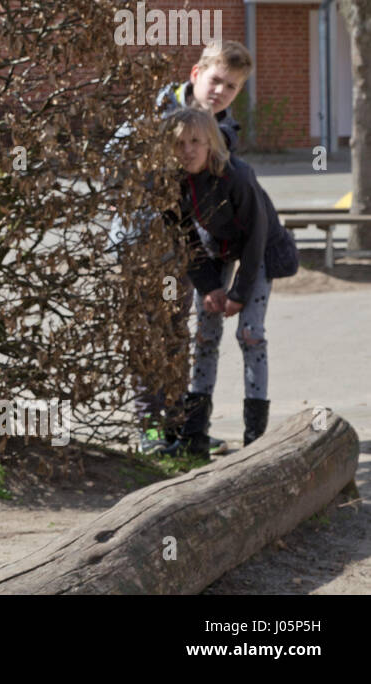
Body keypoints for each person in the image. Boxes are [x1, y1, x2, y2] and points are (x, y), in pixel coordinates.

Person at [107, 40, 254, 452]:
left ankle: (176, 431)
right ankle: (150, 434)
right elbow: (114, 166)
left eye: (232, 87)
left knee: (174, 338)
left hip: (186, 252)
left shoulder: (224, 132)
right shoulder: (155, 117)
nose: (221, 92)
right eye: (216, 81)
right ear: (196, 74)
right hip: (141, 246)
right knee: (146, 339)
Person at [159, 107, 295, 457]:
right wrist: (209, 287)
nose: (187, 150)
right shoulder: (171, 182)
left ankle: (255, 439)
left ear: (211, 144)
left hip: (258, 247)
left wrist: (238, 293)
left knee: (249, 333)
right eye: (179, 144)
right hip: (213, 249)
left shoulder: (238, 176)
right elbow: (184, 238)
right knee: (204, 335)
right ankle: (195, 434)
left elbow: (255, 236)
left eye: (195, 142)